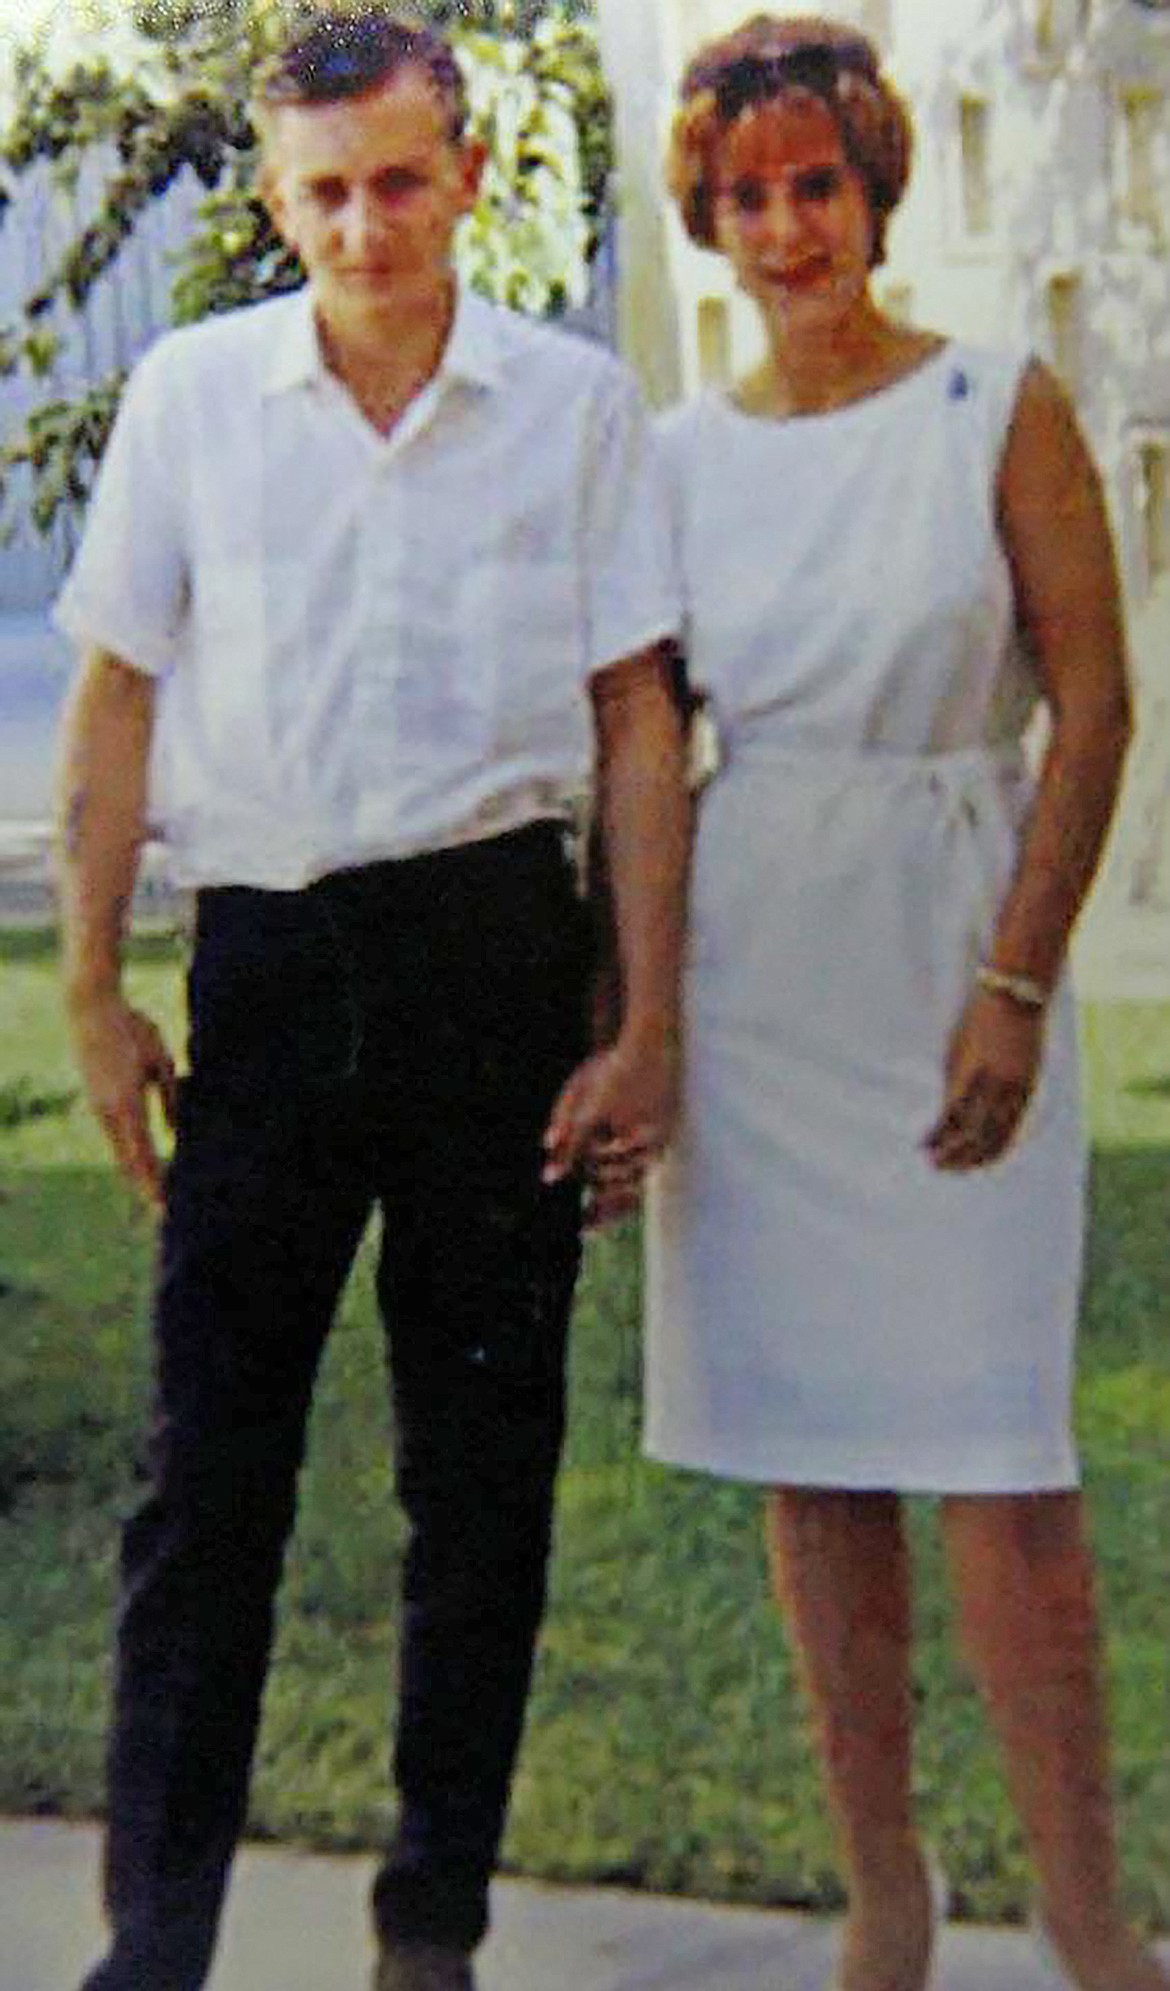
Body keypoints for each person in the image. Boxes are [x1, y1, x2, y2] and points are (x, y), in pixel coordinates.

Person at [53, 12, 688, 1991]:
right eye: (324, 189)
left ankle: (432, 1928)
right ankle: (154, 1942)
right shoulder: (189, 398)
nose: (366, 223)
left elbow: (636, 729)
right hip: (266, 965)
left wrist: (639, 1020)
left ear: (470, 176)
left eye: (401, 179)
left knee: (477, 1483)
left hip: (496, 963)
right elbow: (117, 694)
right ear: (272, 197)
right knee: (203, 1483)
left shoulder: (576, 412)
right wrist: (87, 987)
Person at [639, 16, 1170, 1991]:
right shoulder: (674, 460)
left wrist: (1017, 980)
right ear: (710, 215)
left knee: (1002, 1467)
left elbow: (1096, 707)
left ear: (875, 193)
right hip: (760, 972)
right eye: (749, 195)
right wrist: (647, 1028)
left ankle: (1095, 1925)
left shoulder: (994, 408)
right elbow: (650, 750)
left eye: (819, 186)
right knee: (815, 1459)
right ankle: (887, 1900)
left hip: (954, 949)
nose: (788, 229)